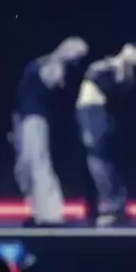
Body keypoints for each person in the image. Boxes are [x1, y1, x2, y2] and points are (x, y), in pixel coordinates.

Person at [11, 37, 89, 226]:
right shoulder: (43, 61)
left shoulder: (57, 66)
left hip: (36, 117)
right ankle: (37, 209)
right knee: (24, 166)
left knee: (38, 162)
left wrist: (60, 65)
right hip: (23, 116)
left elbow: (52, 82)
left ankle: (51, 213)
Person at [75, 43, 136, 227]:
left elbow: (109, 86)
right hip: (86, 112)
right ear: (128, 48)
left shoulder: (123, 74)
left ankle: (114, 206)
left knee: (99, 159)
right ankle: (98, 205)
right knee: (93, 160)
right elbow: (93, 73)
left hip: (95, 112)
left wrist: (121, 68)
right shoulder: (110, 65)